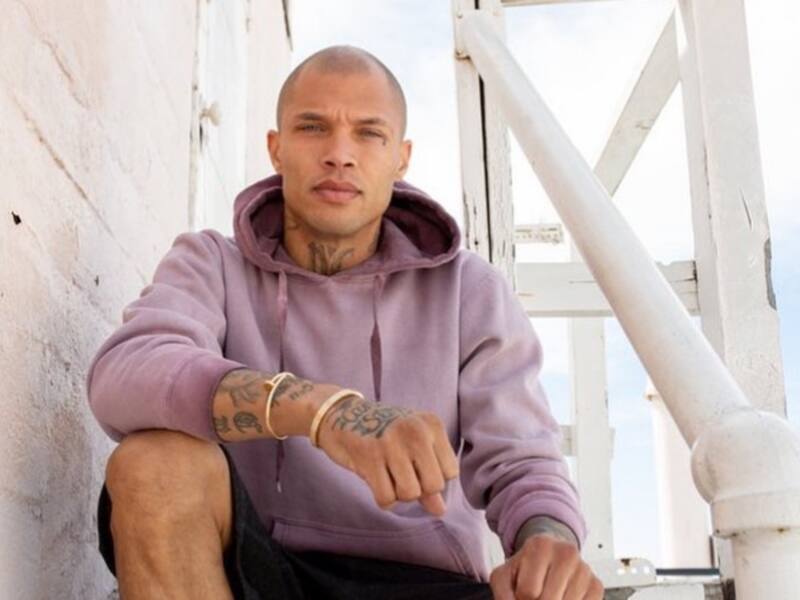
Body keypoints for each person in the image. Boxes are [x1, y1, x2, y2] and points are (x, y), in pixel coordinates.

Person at [86, 44, 604, 600]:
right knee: (154, 464)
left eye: (369, 133)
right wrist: (325, 412)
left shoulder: (469, 288)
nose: (339, 154)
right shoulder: (211, 263)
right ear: (276, 148)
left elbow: (521, 458)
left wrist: (548, 541)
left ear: (401, 158)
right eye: (313, 127)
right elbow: (124, 377)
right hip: (257, 571)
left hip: (430, 582)